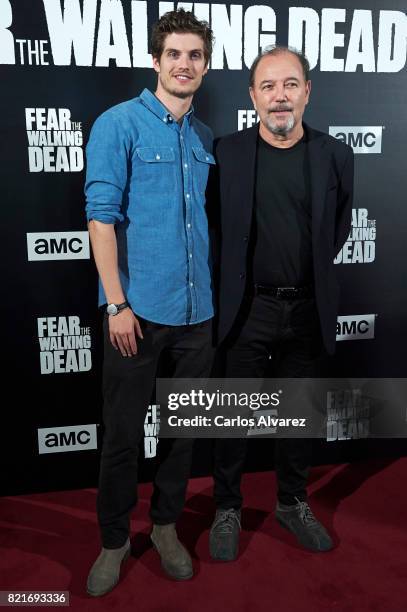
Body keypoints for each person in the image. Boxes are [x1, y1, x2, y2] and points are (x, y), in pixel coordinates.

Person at [84, 9, 215, 595]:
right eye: (175, 54)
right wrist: (117, 306)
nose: (185, 64)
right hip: (135, 315)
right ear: (157, 60)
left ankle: (165, 528)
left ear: (205, 66)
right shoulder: (119, 124)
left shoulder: (205, 137)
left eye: (196, 56)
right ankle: (114, 541)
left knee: (183, 433)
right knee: (120, 437)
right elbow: (101, 220)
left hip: (197, 316)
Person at [209, 46, 354, 561]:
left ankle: (292, 501)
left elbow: (335, 230)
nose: (279, 96)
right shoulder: (226, 151)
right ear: (252, 96)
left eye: (290, 84)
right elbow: (216, 231)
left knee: (299, 414)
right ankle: (227, 505)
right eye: (268, 86)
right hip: (248, 308)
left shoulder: (335, 155)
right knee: (232, 416)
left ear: (307, 91)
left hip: (308, 308)